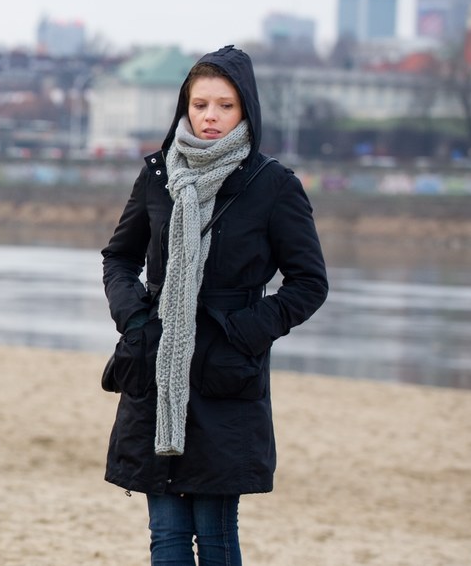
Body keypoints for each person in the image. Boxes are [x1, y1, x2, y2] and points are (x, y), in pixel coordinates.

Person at [99, 45, 328, 565]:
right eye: (199, 104)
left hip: (226, 372)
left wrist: (243, 332)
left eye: (224, 105)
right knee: (167, 534)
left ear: (246, 108)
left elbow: (309, 283)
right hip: (156, 363)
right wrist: (136, 320)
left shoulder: (273, 185)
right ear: (185, 106)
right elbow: (119, 257)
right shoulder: (159, 174)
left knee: (216, 532)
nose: (210, 116)